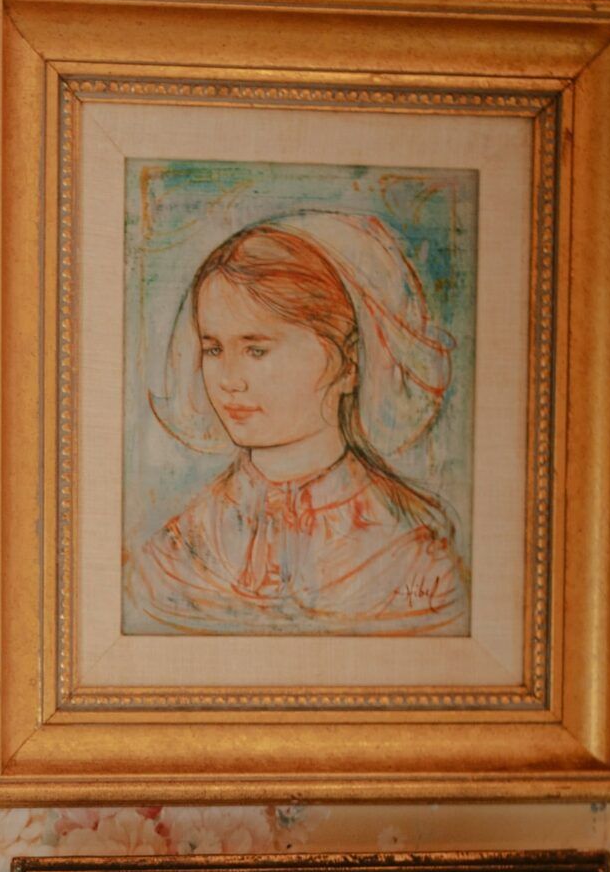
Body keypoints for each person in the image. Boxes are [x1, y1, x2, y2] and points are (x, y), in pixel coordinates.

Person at [123, 213, 469, 638]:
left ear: (349, 363)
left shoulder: (415, 548)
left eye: (257, 350)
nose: (229, 378)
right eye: (213, 349)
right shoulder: (180, 547)